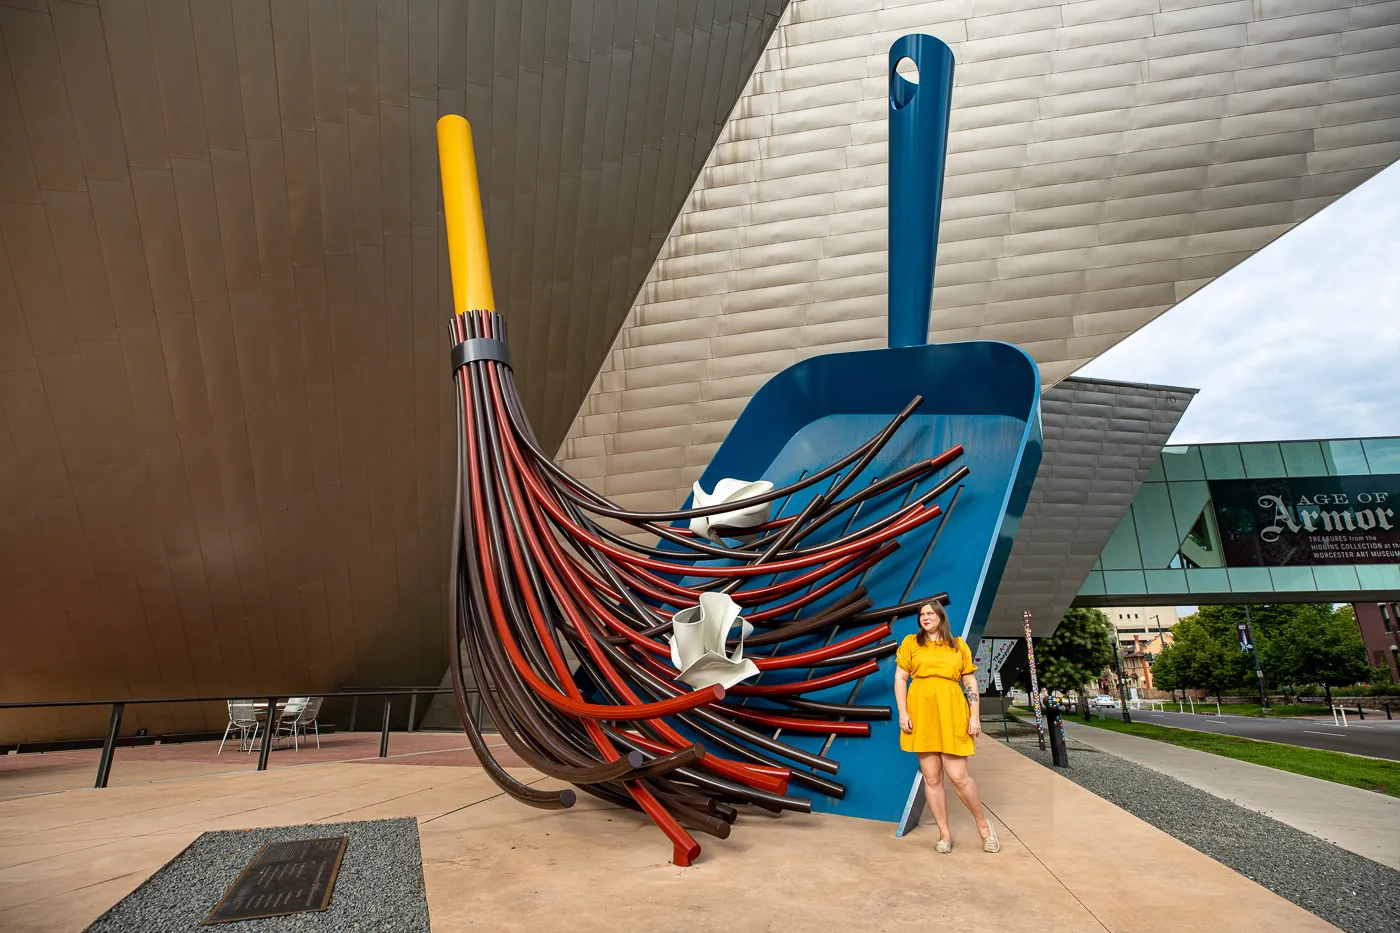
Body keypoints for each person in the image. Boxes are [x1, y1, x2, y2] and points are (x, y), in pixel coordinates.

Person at [893, 601, 999, 853]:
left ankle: (984, 826)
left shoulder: (958, 645)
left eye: (930, 613)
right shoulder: (911, 643)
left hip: (952, 712)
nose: (925, 618)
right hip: (921, 713)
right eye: (921, 615)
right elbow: (900, 677)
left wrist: (975, 716)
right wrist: (903, 712)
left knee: (959, 778)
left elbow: (970, 682)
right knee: (932, 778)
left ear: (941, 616)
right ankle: (944, 834)